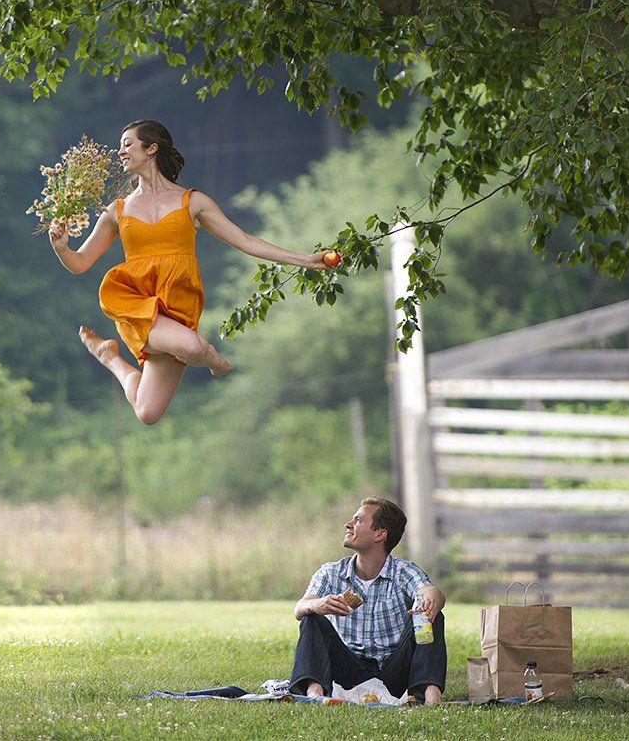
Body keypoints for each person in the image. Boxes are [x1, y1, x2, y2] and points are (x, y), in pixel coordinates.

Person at [49, 119, 331, 426]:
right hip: (137, 303)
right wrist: (62, 247)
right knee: (194, 346)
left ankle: (109, 358)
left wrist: (304, 259)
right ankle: (215, 361)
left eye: (127, 144)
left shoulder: (193, 202)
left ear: (152, 148)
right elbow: (80, 263)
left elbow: (245, 241)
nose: (121, 152)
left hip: (177, 304)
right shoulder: (116, 211)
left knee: (147, 412)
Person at [291, 497, 446, 705]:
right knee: (311, 618)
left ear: (380, 534)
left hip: (394, 674)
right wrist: (315, 605)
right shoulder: (331, 572)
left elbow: (430, 591)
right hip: (348, 671)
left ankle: (431, 697)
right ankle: (315, 695)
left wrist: (430, 600)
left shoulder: (404, 572)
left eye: (358, 520)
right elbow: (299, 607)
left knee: (431, 615)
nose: (348, 524)